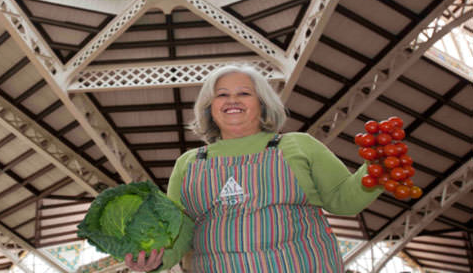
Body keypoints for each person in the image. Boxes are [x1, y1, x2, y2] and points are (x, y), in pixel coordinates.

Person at [125, 65, 383, 272]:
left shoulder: (298, 146)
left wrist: (378, 168)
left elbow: (343, 201)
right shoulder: (188, 163)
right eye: (222, 94)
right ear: (209, 107)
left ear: (262, 103)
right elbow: (177, 232)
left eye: (244, 93)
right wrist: (156, 260)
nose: (232, 99)